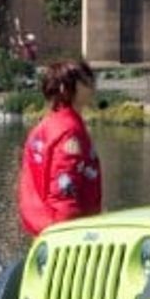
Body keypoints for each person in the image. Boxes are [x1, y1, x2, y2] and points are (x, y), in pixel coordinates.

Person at [18, 59, 102, 237]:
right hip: (63, 233)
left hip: (42, 225)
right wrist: (68, 233)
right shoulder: (68, 131)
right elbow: (64, 189)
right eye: (85, 81)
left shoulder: (46, 126)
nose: (92, 86)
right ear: (65, 88)